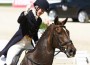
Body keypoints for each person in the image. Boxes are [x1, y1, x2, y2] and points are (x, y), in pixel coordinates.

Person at [0, 0, 50, 65]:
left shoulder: (39, 20)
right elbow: (19, 20)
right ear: (37, 7)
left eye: (43, 11)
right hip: (18, 43)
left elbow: (35, 33)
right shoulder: (27, 14)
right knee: (9, 61)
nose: (42, 12)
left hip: (28, 44)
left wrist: (37, 41)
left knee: (38, 56)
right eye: (42, 10)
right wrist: (25, 12)